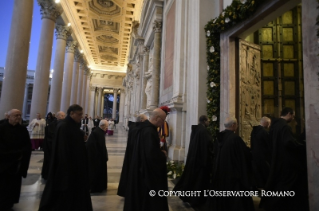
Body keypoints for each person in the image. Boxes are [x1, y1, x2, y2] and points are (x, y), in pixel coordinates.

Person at [39, 105, 93, 211]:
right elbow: (63, 150)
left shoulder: (72, 125)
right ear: (72, 113)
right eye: (79, 114)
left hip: (76, 168)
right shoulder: (64, 126)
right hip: (68, 169)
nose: (81, 117)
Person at [262, 107, 309, 211]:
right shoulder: (284, 126)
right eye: (293, 115)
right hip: (286, 162)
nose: (293, 118)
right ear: (289, 114)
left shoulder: (275, 125)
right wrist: (302, 146)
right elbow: (288, 142)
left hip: (277, 160)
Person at [123, 109, 169, 211]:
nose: (163, 123)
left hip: (137, 170)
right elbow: (151, 157)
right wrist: (162, 155)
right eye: (163, 120)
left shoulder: (143, 128)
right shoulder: (149, 132)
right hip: (145, 177)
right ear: (157, 118)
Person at [208, 117, 254, 211]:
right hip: (233, 174)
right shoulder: (235, 139)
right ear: (233, 125)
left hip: (220, 173)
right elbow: (244, 155)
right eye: (236, 124)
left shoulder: (219, 138)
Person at [173, 115, 212, 208]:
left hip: (194, 159)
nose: (209, 122)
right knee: (198, 183)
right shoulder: (203, 131)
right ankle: (196, 200)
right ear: (204, 121)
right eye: (208, 121)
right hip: (201, 162)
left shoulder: (197, 129)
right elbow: (207, 146)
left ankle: (191, 198)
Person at [0, 109, 31, 210]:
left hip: (16, 163)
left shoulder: (22, 130)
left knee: (14, 184)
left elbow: (27, 146)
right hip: (3, 162)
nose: (18, 117)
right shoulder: (1, 128)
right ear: (8, 117)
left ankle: (11, 201)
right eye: (15, 115)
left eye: (19, 115)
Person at [117, 114, 148, 197]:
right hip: (134, 153)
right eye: (146, 120)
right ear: (141, 120)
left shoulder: (133, 127)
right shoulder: (138, 129)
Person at [41, 111, 66, 180]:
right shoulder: (53, 125)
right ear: (57, 116)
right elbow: (51, 136)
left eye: (64, 116)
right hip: (51, 147)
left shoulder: (62, 124)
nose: (63, 117)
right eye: (62, 116)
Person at [86, 119, 108, 193]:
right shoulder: (97, 132)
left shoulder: (99, 132)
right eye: (106, 126)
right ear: (102, 125)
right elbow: (94, 146)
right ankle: (96, 187)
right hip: (96, 157)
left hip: (99, 156)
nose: (107, 128)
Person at [250, 116, 271, 190]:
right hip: (263, 156)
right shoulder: (264, 132)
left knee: (256, 173)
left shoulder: (254, 130)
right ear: (266, 123)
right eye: (269, 123)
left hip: (254, 155)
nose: (269, 125)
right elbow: (267, 144)